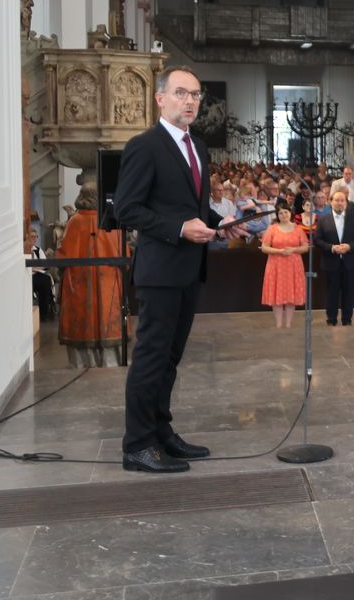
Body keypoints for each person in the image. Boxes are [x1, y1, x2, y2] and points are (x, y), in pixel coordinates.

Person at [112, 66, 246, 473]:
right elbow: (127, 210)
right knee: (151, 359)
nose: (190, 101)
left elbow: (190, 209)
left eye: (196, 96)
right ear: (160, 99)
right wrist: (178, 228)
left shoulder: (198, 147)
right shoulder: (145, 146)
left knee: (170, 360)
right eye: (182, 94)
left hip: (189, 269)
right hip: (159, 271)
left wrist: (218, 222)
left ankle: (161, 433)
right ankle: (137, 444)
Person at [56, 185, 124, 365]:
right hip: (108, 283)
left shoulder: (75, 221)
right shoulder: (110, 220)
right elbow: (124, 252)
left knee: (82, 328)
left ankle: (83, 364)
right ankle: (112, 363)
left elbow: (63, 256)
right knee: (109, 324)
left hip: (79, 285)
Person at [314, 189, 354, 326]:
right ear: (330, 202)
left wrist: (349, 246)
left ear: (346, 203)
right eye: (336, 200)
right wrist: (332, 247)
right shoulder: (323, 219)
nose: (339, 203)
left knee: (349, 292)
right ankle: (331, 319)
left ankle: (347, 319)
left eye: (342, 200)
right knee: (331, 292)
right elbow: (317, 240)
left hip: (350, 262)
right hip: (331, 262)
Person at [260, 205, 308, 328]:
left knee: (291, 294)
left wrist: (293, 249)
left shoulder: (298, 229)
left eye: (285, 212)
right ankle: (278, 323)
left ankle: (288, 324)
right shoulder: (272, 229)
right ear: (277, 215)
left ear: (290, 213)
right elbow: (264, 247)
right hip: (276, 265)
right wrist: (280, 251)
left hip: (294, 265)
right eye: (280, 213)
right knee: (277, 294)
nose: (283, 215)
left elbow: (305, 247)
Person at [26, 228, 55, 322]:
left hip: (38, 274)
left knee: (46, 281)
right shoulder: (24, 250)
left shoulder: (38, 250)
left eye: (36, 236)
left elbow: (44, 264)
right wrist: (35, 267)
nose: (34, 239)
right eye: (32, 236)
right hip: (28, 276)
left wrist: (36, 267)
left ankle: (44, 314)